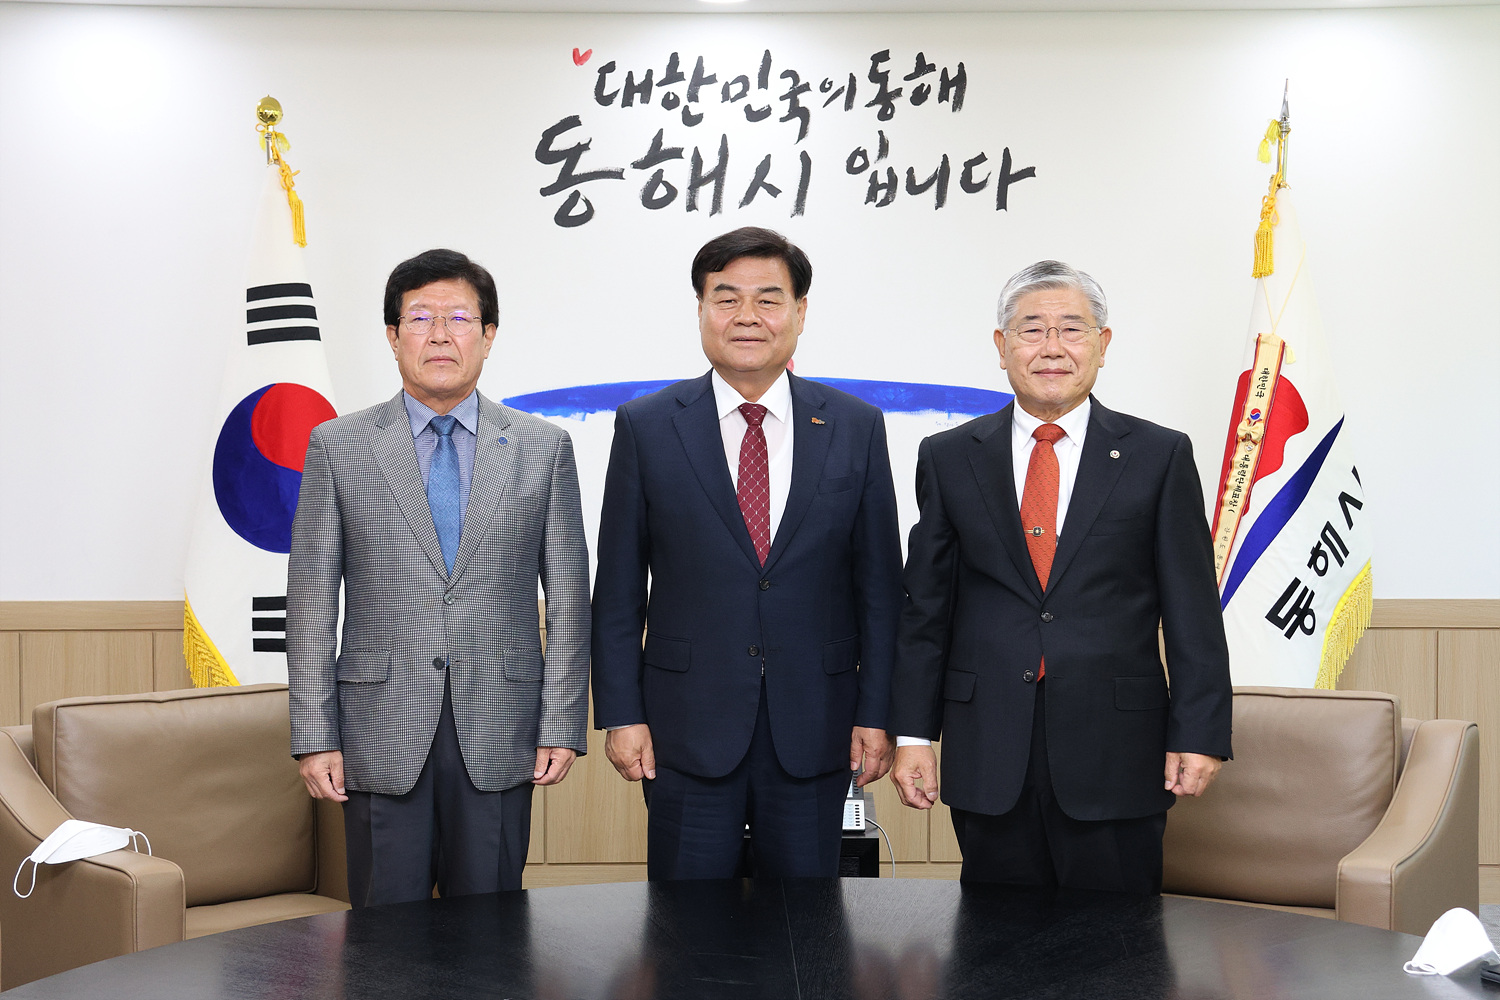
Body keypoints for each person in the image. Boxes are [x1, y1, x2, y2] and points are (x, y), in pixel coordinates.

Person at [888, 260, 1232, 894]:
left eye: (1072, 329)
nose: (1052, 348)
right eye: (1031, 330)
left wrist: (1200, 733)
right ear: (1002, 346)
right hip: (989, 744)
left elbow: (1193, 611)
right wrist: (911, 734)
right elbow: (925, 610)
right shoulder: (950, 457)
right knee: (995, 940)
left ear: (1103, 343)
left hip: (1117, 748)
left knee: (1120, 941)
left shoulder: (1159, 455)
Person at [591, 226, 904, 880]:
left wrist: (877, 714)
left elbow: (879, 590)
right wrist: (621, 714)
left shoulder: (855, 425)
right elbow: (618, 589)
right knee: (685, 924)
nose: (747, 316)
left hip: (818, 723)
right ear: (701, 310)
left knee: (807, 923)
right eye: (727, 298)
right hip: (684, 728)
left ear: (800, 312)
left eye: (768, 299)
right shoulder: (647, 425)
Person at [286, 248, 590, 906]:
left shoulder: (542, 448)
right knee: (384, 934)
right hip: (379, 725)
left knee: (490, 930)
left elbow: (569, 598)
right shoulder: (338, 445)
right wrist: (314, 736)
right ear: (393, 335)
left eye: (459, 318)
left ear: (489, 334)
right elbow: (310, 603)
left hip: (502, 722)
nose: (441, 335)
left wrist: (562, 722)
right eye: (421, 318)